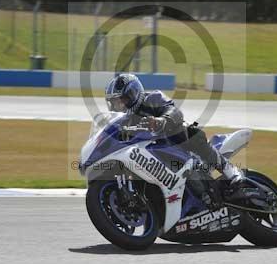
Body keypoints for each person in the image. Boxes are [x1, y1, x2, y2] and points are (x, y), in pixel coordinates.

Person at [105, 73, 246, 195]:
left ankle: (231, 172)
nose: (120, 106)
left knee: (192, 133)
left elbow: (174, 111)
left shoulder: (153, 98)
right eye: (116, 103)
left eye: (122, 100)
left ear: (133, 93)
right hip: (153, 157)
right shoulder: (124, 120)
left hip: (177, 145)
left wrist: (160, 121)